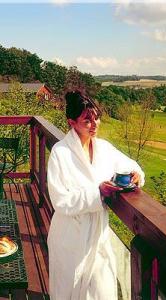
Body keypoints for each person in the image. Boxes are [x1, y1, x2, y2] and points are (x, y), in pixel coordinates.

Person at [47, 90, 145, 300]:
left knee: (102, 291)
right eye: (87, 120)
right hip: (70, 236)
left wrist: (137, 175)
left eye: (96, 118)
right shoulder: (60, 153)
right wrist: (97, 192)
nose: (95, 124)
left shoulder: (104, 149)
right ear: (72, 122)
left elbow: (131, 167)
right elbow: (60, 201)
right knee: (69, 292)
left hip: (98, 236)